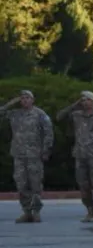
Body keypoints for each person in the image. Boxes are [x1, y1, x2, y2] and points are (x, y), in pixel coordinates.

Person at [57, 91, 93, 223]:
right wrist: (74, 105)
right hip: (80, 155)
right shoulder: (77, 115)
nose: (85, 102)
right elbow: (59, 117)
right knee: (83, 185)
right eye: (82, 100)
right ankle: (89, 211)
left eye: (87, 99)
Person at [1, 91, 53, 223]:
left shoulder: (39, 114)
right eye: (22, 98)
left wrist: (46, 150)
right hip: (18, 154)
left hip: (35, 154)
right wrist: (11, 102)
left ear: (33, 100)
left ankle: (36, 212)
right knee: (21, 184)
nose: (24, 100)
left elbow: (48, 132)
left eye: (27, 98)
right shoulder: (15, 114)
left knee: (35, 183)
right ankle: (26, 212)